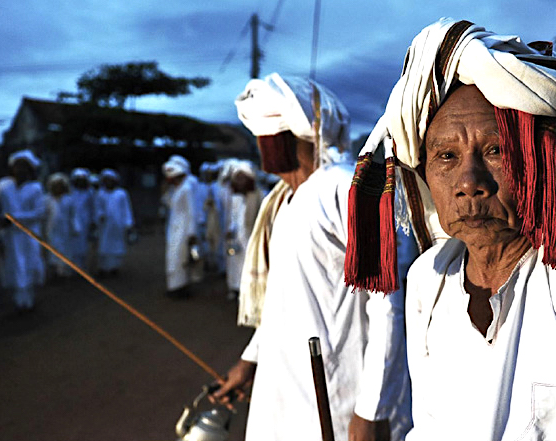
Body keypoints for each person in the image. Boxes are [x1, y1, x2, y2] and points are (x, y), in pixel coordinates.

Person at [344, 18, 556, 440]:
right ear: (423, 171)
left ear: (536, 162)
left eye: (496, 150)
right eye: (446, 156)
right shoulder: (428, 280)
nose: (468, 182)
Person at [211, 73, 413, 441]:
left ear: (295, 134)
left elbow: (387, 301)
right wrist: (250, 359)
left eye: (269, 132)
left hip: (337, 394)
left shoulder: (343, 186)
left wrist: (372, 408)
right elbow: (283, 300)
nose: (263, 143)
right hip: (282, 386)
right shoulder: (283, 201)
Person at [0, 150, 46, 313]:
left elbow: (39, 213)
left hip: (29, 235)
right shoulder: (3, 186)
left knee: (28, 264)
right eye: (17, 166)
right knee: (14, 265)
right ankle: (19, 301)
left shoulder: (36, 188)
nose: (20, 170)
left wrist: (13, 218)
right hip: (10, 236)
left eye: (24, 166)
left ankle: (28, 301)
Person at [161, 155, 202, 297]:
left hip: (184, 230)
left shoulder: (187, 188)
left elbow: (192, 212)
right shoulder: (177, 189)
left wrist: (192, 233)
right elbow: (170, 204)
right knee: (173, 257)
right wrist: (165, 192)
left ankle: (180, 287)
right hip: (174, 228)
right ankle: (174, 285)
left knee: (181, 258)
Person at [224, 161, 262, 300]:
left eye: (242, 178)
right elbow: (233, 218)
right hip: (237, 238)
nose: (239, 182)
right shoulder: (235, 197)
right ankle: (235, 289)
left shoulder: (259, 195)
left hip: (251, 238)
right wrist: (230, 229)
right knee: (235, 265)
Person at [95, 168, 134, 276]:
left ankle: (114, 267)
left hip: (118, 225)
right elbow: (98, 208)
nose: (108, 182)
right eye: (106, 180)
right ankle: (103, 267)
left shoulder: (121, 193)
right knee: (104, 246)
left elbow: (126, 209)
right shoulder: (100, 194)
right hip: (105, 226)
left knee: (117, 247)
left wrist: (128, 223)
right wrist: (100, 216)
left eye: (110, 180)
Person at [44, 172, 76, 279]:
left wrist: (75, 227)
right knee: (52, 250)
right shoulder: (46, 200)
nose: (58, 188)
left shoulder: (69, 199)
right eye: (55, 185)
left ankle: (64, 272)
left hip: (65, 230)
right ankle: (54, 272)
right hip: (51, 230)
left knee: (65, 250)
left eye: (60, 185)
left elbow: (73, 215)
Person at [68, 168, 95, 269]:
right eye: (78, 179)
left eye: (82, 179)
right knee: (71, 244)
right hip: (71, 221)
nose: (80, 181)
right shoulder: (69, 191)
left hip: (85, 221)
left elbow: (93, 208)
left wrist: (93, 221)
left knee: (83, 245)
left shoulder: (89, 192)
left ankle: (81, 267)